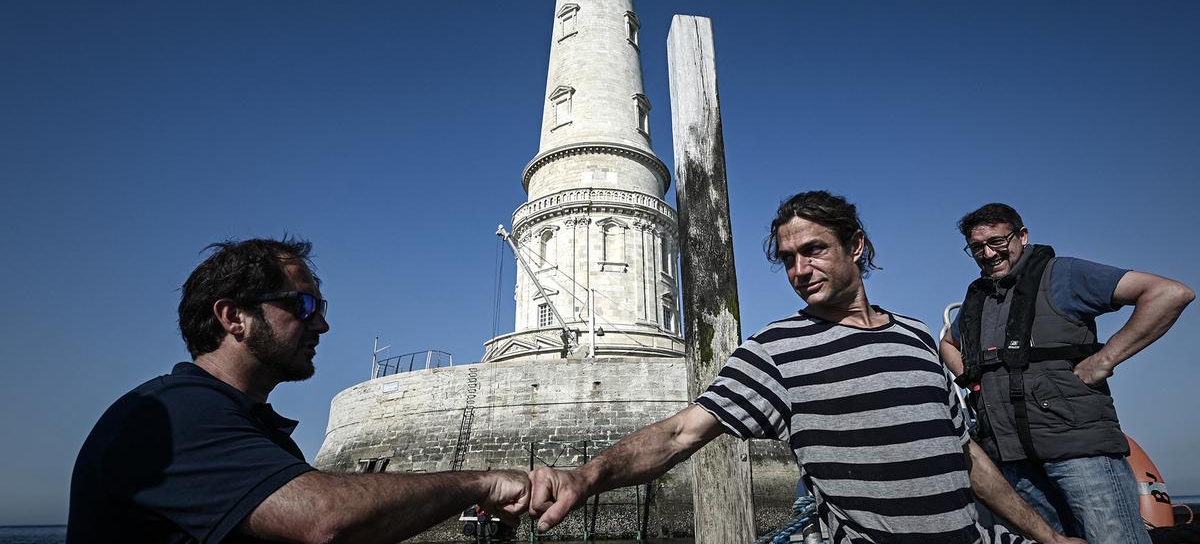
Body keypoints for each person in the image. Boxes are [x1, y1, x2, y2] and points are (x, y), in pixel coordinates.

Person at [528, 191, 1083, 544]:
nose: (799, 269)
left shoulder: (917, 337)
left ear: (856, 245)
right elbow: (679, 433)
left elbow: (964, 456)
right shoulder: (776, 348)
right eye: (788, 259)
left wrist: (1051, 539)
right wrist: (584, 477)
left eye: (814, 250)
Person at [68, 238, 529, 543]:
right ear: (233, 317)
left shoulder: (254, 429)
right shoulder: (172, 416)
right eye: (303, 305)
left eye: (320, 307)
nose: (322, 324)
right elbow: (323, 518)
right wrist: (480, 482)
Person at [941, 204, 1193, 544]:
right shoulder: (979, 300)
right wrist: (974, 383)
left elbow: (1169, 293)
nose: (988, 253)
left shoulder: (1064, 275)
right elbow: (948, 343)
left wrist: (1104, 360)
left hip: (1079, 451)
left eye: (997, 241)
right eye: (977, 247)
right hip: (1014, 460)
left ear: (1022, 236)